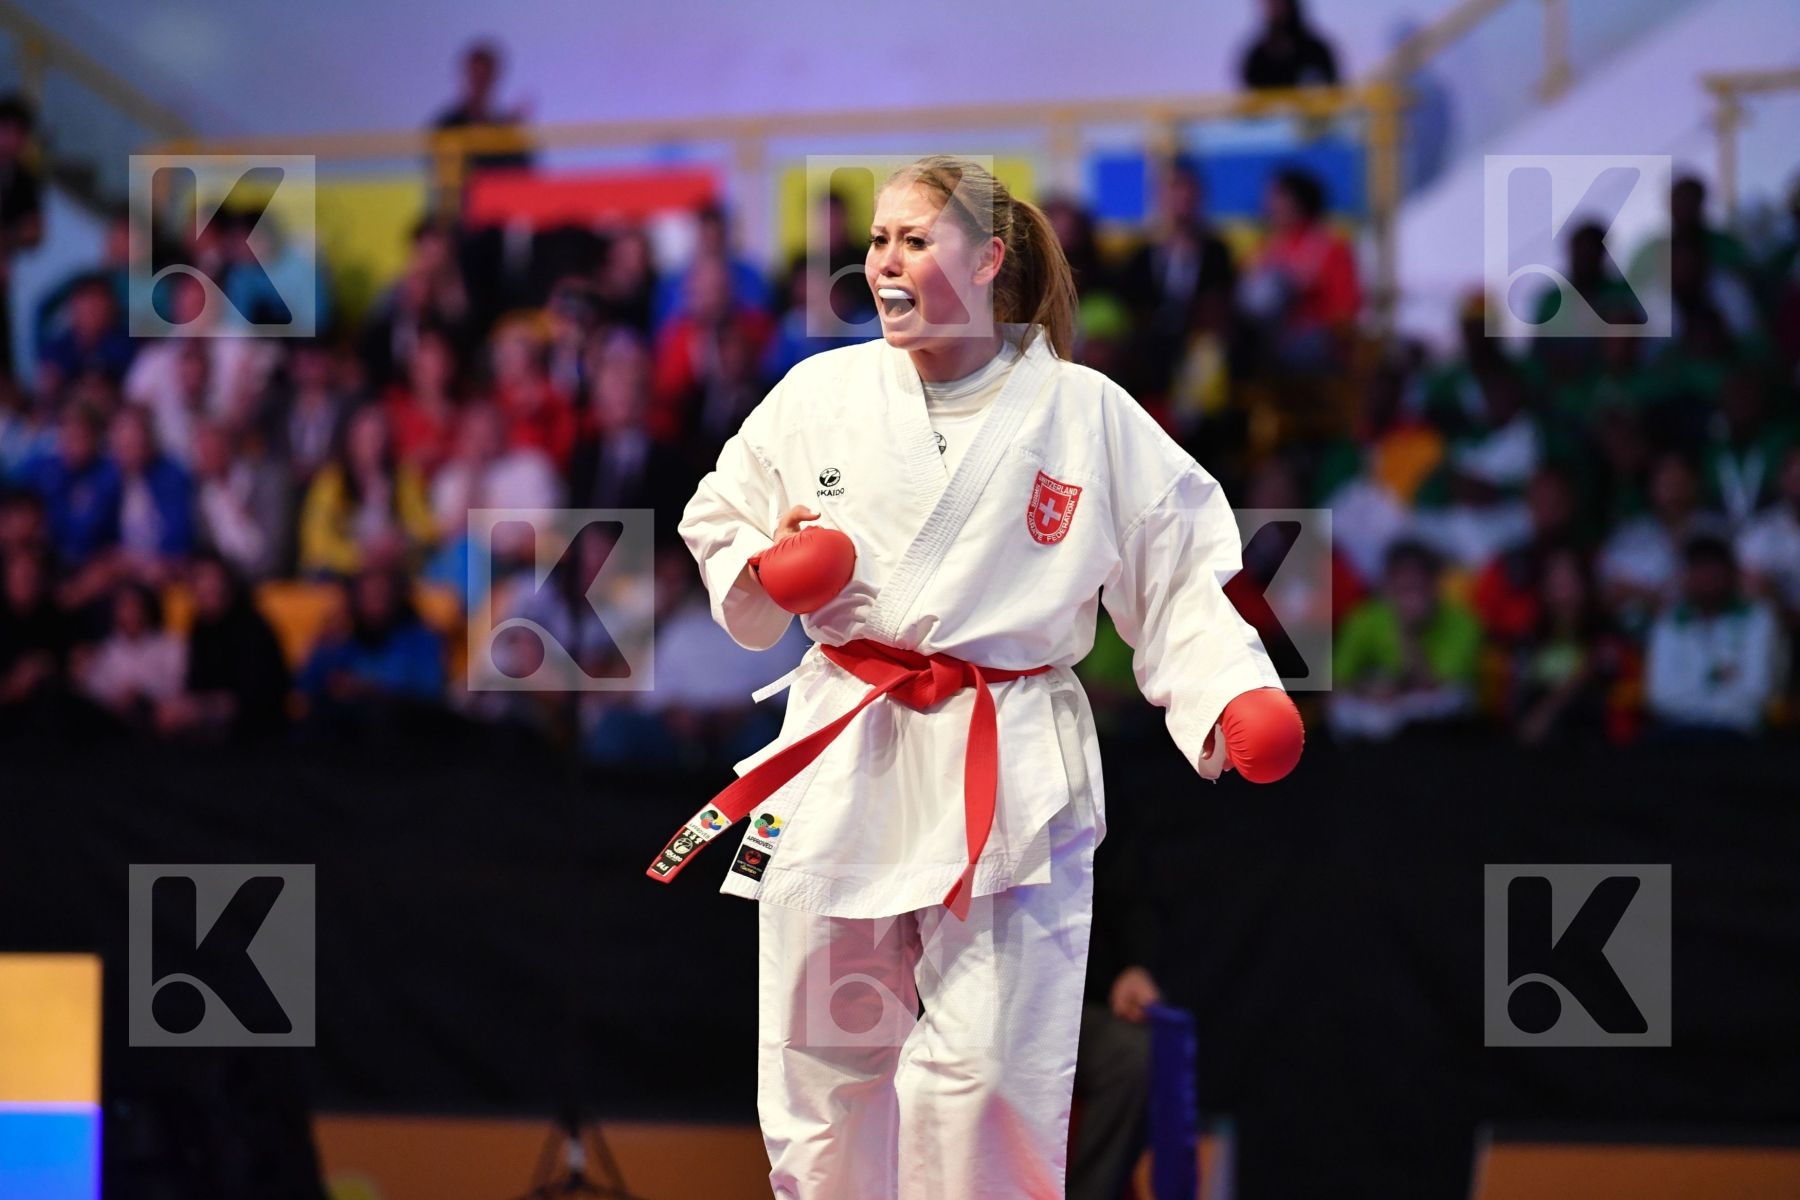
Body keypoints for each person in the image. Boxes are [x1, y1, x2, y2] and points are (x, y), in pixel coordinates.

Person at [654, 155, 1299, 1198]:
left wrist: (1229, 687)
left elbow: (1177, 562)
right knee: (826, 1073)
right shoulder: (821, 393)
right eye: (877, 241)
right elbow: (717, 511)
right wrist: (765, 569)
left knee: (992, 1076)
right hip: (847, 741)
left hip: (1009, 756)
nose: (885, 262)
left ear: (990, 259)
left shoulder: (1082, 411)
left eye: (915, 240)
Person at [1644, 535, 1784, 738]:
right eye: (1698, 569)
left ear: (1731, 573)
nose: (1706, 578)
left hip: (1742, 736)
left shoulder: (1759, 619)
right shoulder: (1669, 622)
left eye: (1713, 569)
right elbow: (1659, 696)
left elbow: (1757, 691)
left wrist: (1697, 693)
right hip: (1678, 735)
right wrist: (1720, 689)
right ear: (1685, 575)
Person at [1239, 0, 1340, 89]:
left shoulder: (1316, 52)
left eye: (1278, 3)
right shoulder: (1257, 58)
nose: (1273, 8)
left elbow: (1332, 93)